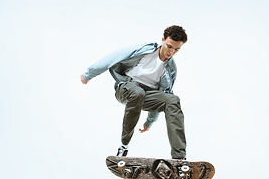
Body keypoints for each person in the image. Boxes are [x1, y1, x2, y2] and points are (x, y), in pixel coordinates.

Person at [80, 25, 188, 160]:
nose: (171, 52)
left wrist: (149, 122)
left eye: (177, 49)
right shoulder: (144, 49)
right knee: (138, 93)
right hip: (126, 87)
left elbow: (163, 93)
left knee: (173, 100)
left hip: (147, 95)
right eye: (169, 46)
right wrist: (89, 74)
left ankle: (179, 158)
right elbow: (113, 57)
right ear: (163, 40)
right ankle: (124, 146)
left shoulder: (171, 69)